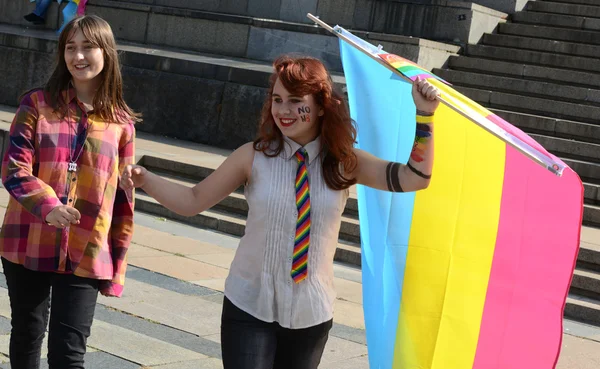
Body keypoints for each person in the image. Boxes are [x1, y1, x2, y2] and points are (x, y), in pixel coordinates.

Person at [120, 55, 439, 369]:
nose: (283, 111)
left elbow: (414, 178)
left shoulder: (344, 162)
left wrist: (424, 117)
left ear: (320, 106)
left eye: (295, 100)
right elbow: (193, 200)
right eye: (277, 99)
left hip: (310, 312)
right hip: (249, 304)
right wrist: (146, 180)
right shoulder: (253, 156)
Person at [1, 15, 137, 369]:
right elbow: (14, 169)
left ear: (106, 52)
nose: (78, 56)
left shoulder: (121, 124)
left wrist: (116, 267)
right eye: (70, 48)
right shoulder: (36, 105)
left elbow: (123, 205)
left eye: (88, 47)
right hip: (29, 240)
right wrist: (48, 206)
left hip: (86, 248)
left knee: (69, 353)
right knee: (27, 334)